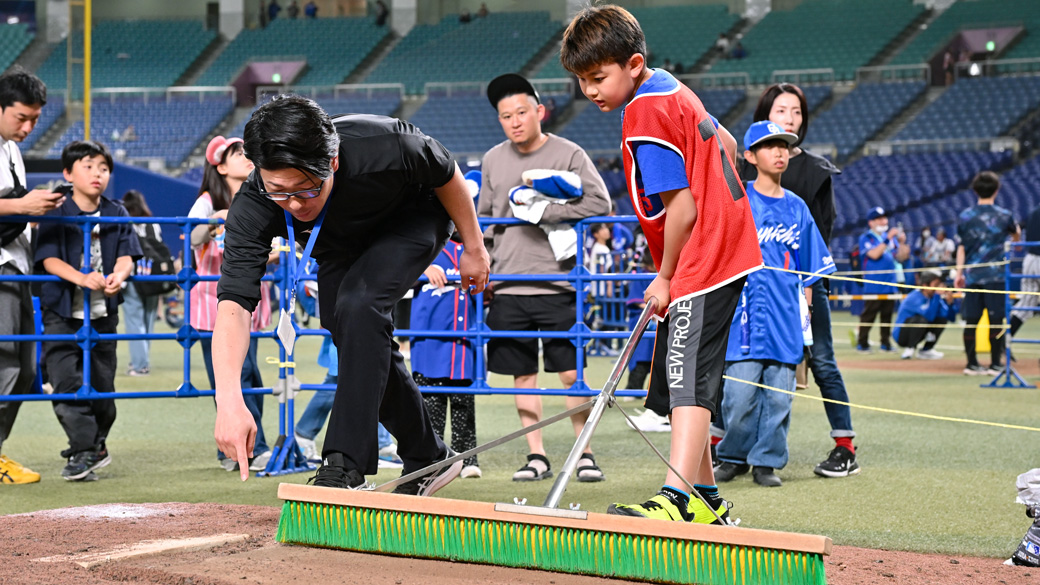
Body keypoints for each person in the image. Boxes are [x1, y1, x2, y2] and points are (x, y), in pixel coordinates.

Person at [212, 95, 490, 495]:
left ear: (334, 163)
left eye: (306, 189)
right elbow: (234, 304)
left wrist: (474, 247)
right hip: (339, 241)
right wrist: (228, 399)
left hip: (413, 215)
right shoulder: (254, 204)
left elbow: (447, 174)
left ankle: (343, 464)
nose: (293, 203)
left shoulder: (386, 145)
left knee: (359, 306)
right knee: (347, 325)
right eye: (279, 191)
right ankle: (428, 456)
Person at [562, 4, 762, 523]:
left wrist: (667, 275)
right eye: (582, 80)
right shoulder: (670, 86)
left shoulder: (644, 112)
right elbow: (727, 142)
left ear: (633, 64)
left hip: (703, 255)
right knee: (680, 375)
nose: (589, 90)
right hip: (722, 246)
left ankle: (675, 499)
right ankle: (705, 497)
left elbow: (684, 209)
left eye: (598, 77)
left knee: (687, 376)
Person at [478, 73, 611, 483]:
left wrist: (544, 212)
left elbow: (601, 201)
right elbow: (485, 220)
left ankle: (585, 454)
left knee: (572, 375)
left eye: (521, 112)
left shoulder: (568, 153)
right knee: (523, 376)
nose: (514, 121)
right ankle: (536, 456)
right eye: (506, 116)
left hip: (558, 282)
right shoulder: (492, 159)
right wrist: (486, 270)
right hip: (508, 284)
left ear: (539, 111)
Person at [736, 82, 860, 478]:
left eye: (797, 112)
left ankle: (844, 445)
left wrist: (807, 288)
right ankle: (730, 451)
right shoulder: (743, 170)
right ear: (764, 117)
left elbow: (822, 230)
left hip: (802, 283)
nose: (789, 118)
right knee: (739, 365)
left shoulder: (817, 170)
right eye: (781, 111)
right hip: (751, 289)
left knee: (820, 360)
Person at [714, 121, 835, 488]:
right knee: (737, 396)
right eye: (769, 146)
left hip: (785, 319)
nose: (779, 152)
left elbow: (811, 272)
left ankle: (767, 461)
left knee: (780, 399)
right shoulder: (738, 200)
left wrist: (805, 322)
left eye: (784, 145)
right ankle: (733, 456)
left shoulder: (797, 207)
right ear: (750, 156)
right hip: (745, 317)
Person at [36, 140, 142, 481]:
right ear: (67, 173)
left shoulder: (117, 211)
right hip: (61, 312)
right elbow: (48, 259)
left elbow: (126, 255)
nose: (98, 174)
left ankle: (94, 446)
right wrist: (81, 278)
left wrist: (119, 276)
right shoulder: (56, 210)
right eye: (88, 166)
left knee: (102, 385)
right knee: (65, 382)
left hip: (103, 313)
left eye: (104, 168)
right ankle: (84, 449)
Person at [189, 135, 275, 472]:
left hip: (247, 302)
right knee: (228, 380)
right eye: (237, 154)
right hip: (212, 304)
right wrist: (218, 218)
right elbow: (192, 237)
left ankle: (250, 447)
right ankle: (241, 450)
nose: (246, 158)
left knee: (251, 375)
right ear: (220, 166)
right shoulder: (207, 201)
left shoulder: (262, 196)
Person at [0, 66, 64, 485]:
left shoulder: (12, 151)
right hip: (2, 269)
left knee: (23, 370)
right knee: (6, 363)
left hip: (17, 266)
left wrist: (32, 210)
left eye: (35, 119)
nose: (29, 127)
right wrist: (21, 207)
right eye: (22, 117)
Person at [412, 235, 481, 478]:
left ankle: (467, 458)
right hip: (429, 337)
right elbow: (395, 272)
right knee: (430, 403)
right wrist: (423, 268)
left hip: (463, 338)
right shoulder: (424, 242)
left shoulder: (474, 246)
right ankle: (433, 460)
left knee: (463, 401)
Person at [294, 336, 402, 468]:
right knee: (355, 383)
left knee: (367, 383)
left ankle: (303, 436)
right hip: (352, 341)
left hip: (363, 340)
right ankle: (381, 444)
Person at [954, 171, 1019, 375]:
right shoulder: (1004, 215)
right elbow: (1016, 238)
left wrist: (959, 273)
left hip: (972, 275)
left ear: (975, 190)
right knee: (996, 320)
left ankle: (971, 364)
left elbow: (962, 247)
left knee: (971, 320)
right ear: (997, 190)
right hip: (996, 276)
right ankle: (995, 364)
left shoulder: (965, 216)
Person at [120, 189, 162, 376]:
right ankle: (140, 361)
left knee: (134, 322)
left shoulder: (124, 222)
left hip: (133, 276)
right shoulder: (153, 223)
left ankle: (140, 365)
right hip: (153, 276)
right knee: (148, 321)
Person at [857, 207, 908, 353]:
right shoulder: (866, 237)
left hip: (890, 283)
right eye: (879, 219)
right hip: (874, 283)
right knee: (869, 315)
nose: (884, 221)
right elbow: (874, 254)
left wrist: (902, 243)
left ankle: (885, 343)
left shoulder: (890, 238)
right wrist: (888, 238)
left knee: (887, 316)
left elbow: (902, 257)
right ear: (871, 222)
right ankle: (862, 343)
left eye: (884, 218)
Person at [894, 270, 958, 360]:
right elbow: (928, 316)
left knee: (941, 319)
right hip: (902, 335)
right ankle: (910, 348)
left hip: (920, 331)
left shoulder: (935, 297)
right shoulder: (914, 297)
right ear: (925, 285)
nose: (938, 288)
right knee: (920, 320)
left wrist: (950, 304)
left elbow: (952, 318)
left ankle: (927, 350)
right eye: (936, 285)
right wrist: (937, 296)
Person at [1010, 202, 1040, 339]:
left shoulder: (1033, 211)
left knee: (1026, 303)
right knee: (1027, 304)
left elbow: (1017, 227)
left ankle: (1004, 341)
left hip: (1029, 260)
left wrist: (1016, 242)